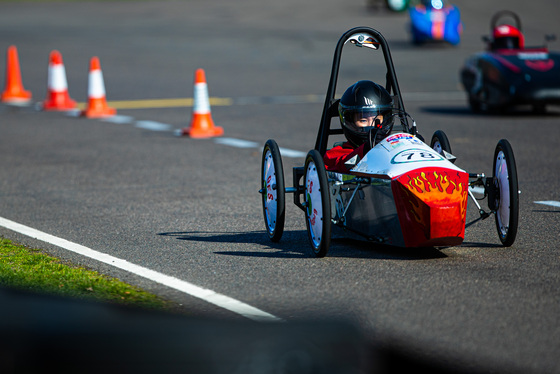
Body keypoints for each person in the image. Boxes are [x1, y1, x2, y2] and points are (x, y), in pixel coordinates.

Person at [323, 80, 395, 173]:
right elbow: (343, 164)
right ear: (350, 122)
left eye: (376, 120)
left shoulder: (395, 146)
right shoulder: (338, 153)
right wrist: (366, 150)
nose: (371, 126)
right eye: (363, 121)